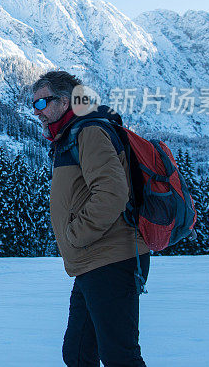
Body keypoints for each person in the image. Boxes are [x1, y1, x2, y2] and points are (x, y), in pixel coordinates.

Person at [32, 70, 150, 367]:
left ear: (64, 100)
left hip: (110, 258)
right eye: (34, 105)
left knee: (119, 357)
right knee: (78, 352)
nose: (37, 112)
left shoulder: (89, 131)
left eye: (41, 104)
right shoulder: (71, 134)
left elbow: (112, 192)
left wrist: (76, 236)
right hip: (92, 261)